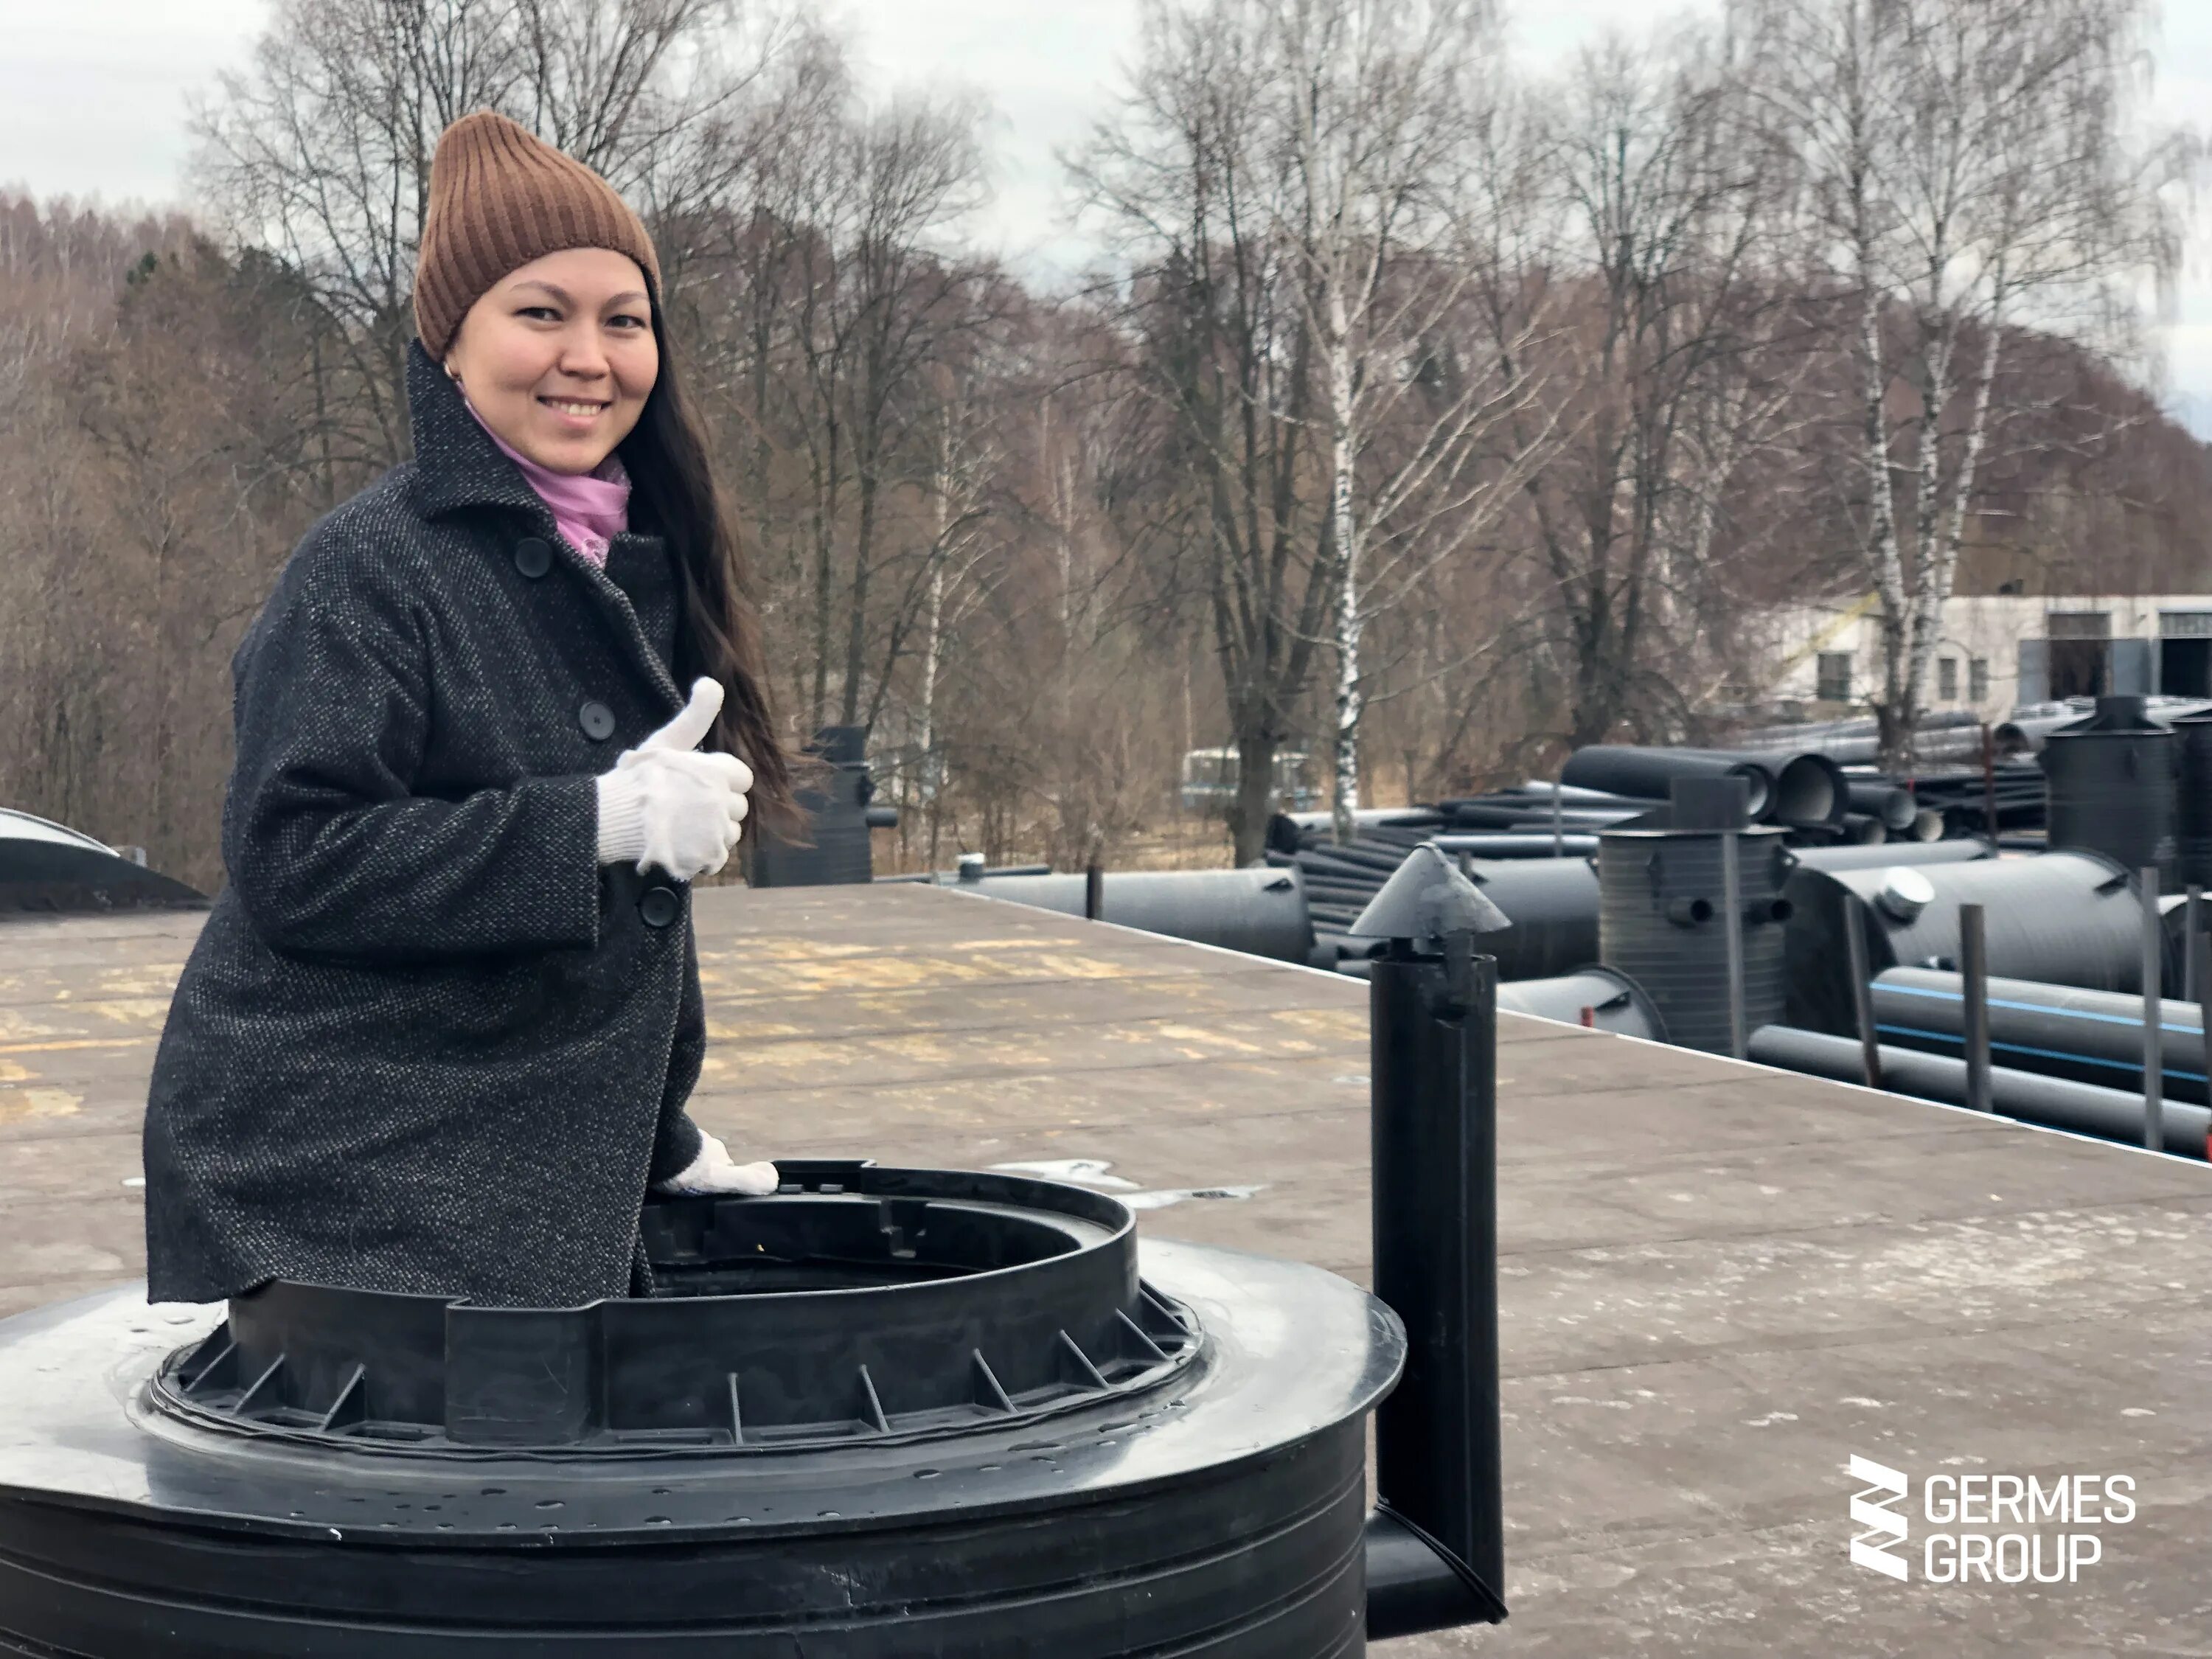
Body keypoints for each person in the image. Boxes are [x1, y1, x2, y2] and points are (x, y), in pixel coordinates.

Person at [142, 112, 796, 1308]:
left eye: (625, 319)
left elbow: (613, 938)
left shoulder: (638, 555)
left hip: (514, 1149)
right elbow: (295, 860)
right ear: (451, 345)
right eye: (540, 313)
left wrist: (658, 1140)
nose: (589, 357)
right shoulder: (371, 566)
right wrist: (595, 821)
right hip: (341, 1168)